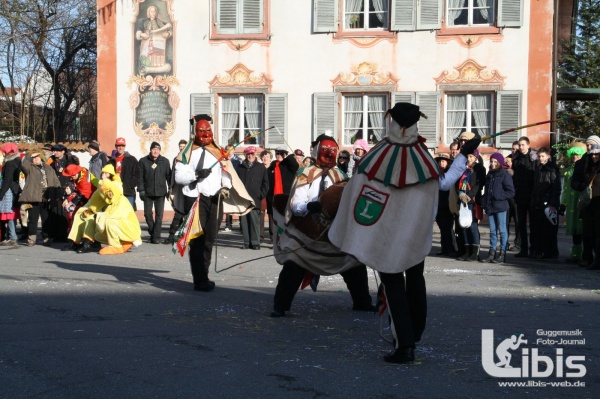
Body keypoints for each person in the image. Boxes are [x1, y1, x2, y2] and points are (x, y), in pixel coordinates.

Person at [329, 103, 480, 363]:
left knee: (394, 285)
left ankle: (405, 344)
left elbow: (356, 192)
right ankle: (414, 333)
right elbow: (444, 183)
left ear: (392, 122)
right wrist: (462, 156)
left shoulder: (375, 157)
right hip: (414, 234)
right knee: (416, 279)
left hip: (386, 235)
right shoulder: (423, 158)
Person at [271, 134, 374, 317]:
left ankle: (362, 302)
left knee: (353, 263)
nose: (329, 156)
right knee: (294, 264)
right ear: (317, 151)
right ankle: (280, 306)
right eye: (325, 151)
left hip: (333, 231)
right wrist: (308, 207)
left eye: (332, 152)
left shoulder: (340, 175)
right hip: (306, 231)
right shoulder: (306, 173)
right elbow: (296, 204)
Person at [174, 114, 253, 292]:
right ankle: (199, 279)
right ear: (195, 132)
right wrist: (195, 175)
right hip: (196, 199)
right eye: (201, 131)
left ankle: (205, 275)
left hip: (215, 199)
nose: (205, 133)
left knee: (210, 238)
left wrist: (225, 186)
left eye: (207, 130)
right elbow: (179, 176)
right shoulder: (187, 153)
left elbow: (225, 174)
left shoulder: (218, 152)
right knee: (197, 240)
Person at [68, 164, 122, 253]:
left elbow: (111, 200)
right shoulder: (102, 183)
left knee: (90, 219)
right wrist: (87, 208)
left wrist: (95, 209)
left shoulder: (114, 184)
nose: (103, 175)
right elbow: (94, 198)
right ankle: (74, 241)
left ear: (111, 175)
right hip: (95, 207)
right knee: (79, 214)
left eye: (106, 173)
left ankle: (88, 242)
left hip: (107, 210)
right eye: (103, 173)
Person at [18, 152, 61, 246]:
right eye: (33, 158)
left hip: (46, 196)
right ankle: (31, 238)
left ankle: (46, 237)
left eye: (37, 157)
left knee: (46, 218)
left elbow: (55, 181)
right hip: (34, 197)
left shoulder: (48, 168)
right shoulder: (30, 168)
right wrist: (30, 156)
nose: (35, 159)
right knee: (33, 219)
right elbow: (24, 165)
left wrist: (57, 192)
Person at [91, 179, 143, 255]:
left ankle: (116, 247)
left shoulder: (122, 200)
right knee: (98, 236)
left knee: (110, 222)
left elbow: (114, 216)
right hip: (123, 229)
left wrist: (99, 216)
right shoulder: (111, 203)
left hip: (132, 230)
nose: (108, 195)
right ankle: (125, 243)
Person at [571, 135, 600, 268]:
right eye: (587, 145)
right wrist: (581, 186)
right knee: (587, 232)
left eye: (592, 145)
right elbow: (574, 181)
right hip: (587, 203)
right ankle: (587, 257)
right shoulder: (582, 163)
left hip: (598, 202)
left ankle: (597, 260)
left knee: (598, 232)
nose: (589, 148)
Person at [481, 152, 515, 263]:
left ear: (500, 162)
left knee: (502, 230)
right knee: (492, 231)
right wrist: (484, 201)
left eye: (495, 162)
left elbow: (511, 192)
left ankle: (502, 253)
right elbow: (487, 190)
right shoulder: (489, 174)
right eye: (491, 161)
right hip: (490, 206)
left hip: (501, 206)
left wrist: (498, 196)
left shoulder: (505, 174)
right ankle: (491, 253)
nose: (493, 164)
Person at [529, 147, 561, 260]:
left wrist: (552, 203)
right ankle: (540, 250)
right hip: (538, 202)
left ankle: (550, 252)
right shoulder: (538, 169)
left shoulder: (553, 170)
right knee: (538, 228)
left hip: (548, 203)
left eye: (543, 156)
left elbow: (556, 188)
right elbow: (535, 187)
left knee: (549, 230)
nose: (540, 158)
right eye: (539, 156)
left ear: (548, 156)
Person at [236, 146, 269, 250]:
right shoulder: (240, 167)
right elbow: (237, 183)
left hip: (255, 199)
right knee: (244, 222)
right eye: (248, 154)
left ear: (255, 155)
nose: (250, 156)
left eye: (252, 154)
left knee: (254, 222)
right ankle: (246, 242)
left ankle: (255, 243)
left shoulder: (261, 167)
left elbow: (266, 183)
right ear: (246, 155)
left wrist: (260, 194)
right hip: (243, 200)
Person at [138, 141, 171, 244]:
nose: (155, 151)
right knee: (147, 214)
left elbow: (169, 176)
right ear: (150, 150)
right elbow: (140, 177)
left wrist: (170, 189)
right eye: (153, 149)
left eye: (157, 149)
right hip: (147, 192)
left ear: (160, 151)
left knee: (159, 216)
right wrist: (141, 190)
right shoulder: (143, 161)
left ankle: (156, 237)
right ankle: (153, 232)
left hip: (161, 192)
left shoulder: (165, 161)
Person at [45, 144, 78, 245]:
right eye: (54, 151)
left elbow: (73, 174)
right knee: (55, 210)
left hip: (66, 187)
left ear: (63, 151)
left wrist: (70, 187)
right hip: (55, 188)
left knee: (65, 212)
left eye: (57, 151)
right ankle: (56, 234)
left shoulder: (70, 160)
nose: (55, 152)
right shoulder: (51, 161)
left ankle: (65, 234)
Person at [560, 142, 587, 263]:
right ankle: (575, 255)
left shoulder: (585, 168)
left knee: (583, 230)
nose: (575, 157)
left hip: (581, 202)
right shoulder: (568, 171)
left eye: (577, 154)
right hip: (572, 203)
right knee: (575, 230)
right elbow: (565, 189)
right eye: (573, 155)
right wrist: (563, 203)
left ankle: (584, 255)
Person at [512, 136, 538, 258]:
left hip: (532, 195)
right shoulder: (516, 158)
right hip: (520, 194)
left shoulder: (534, 157)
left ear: (528, 145)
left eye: (523, 145)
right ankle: (523, 249)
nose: (521, 147)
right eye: (520, 145)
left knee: (533, 224)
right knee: (520, 223)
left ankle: (533, 249)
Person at [455, 148, 483, 262]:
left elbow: (479, 184)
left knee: (472, 226)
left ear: (476, 157)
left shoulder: (479, 169)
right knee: (464, 225)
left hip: (472, 201)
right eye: (468, 156)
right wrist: (461, 194)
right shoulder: (463, 169)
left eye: (471, 157)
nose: (469, 159)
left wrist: (469, 196)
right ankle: (467, 251)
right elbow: (457, 183)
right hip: (462, 200)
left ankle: (475, 252)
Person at [60, 164, 97, 250]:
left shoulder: (85, 179)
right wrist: (68, 200)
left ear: (76, 174)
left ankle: (88, 242)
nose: (70, 178)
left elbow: (83, 194)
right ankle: (74, 241)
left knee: (86, 219)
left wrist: (71, 203)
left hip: (92, 201)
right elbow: (78, 191)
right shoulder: (81, 174)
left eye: (71, 176)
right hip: (86, 199)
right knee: (75, 217)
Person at [266, 148, 299, 244]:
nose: (278, 155)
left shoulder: (288, 166)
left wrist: (289, 156)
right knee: (274, 219)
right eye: (277, 154)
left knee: (286, 218)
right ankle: (274, 238)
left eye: (281, 154)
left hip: (286, 196)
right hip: (273, 196)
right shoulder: (272, 167)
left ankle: (287, 237)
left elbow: (295, 165)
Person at [135, 5, 173, 76]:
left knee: (158, 59)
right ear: (148, 12)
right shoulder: (143, 21)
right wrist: (142, 35)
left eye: (154, 11)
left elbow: (169, 27)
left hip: (158, 46)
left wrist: (168, 34)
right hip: (147, 46)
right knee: (147, 60)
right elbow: (138, 33)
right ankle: (145, 69)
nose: (153, 13)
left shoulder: (158, 21)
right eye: (152, 11)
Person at [164, 139, 188, 244]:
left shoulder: (189, 158)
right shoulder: (175, 159)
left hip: (188, 190)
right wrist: (171, 188)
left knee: (187, 214)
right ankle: (171, 236)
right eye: (180, 146)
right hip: (178, 189)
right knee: (178, 213)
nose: (182, 148)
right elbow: (173, 175)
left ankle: (185, 237)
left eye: (183, 146)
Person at [434, 154, 458, 257]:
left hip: (447, 204)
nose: (441, 163)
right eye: (439, 162)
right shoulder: (436, 174)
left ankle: (451, 249)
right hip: (438, 204)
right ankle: (444, 248)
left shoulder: (449, 174)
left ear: (447, 163)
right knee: (442, 228)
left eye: (443, 161)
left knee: (448, 228)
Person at [109, 137, 140, 208]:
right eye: (119, 146)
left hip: (128, 192)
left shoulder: (132, 159)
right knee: (115, 214)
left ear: (125, 146)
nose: (121, 148)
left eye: (122, 146)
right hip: (115, 192)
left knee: (128, 214)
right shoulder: (111, 161)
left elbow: (137, 174)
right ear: (115, 146)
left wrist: (131, 185)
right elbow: (106, 175)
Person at [0, 143, 21, 246]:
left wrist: (1, 193)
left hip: (8, 191)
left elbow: (7, 180)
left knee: (8, 214)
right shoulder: (17, 161)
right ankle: (11, 236)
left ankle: (12, 237)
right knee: (10, 214)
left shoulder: (10, 163)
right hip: (14, 189)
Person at [258, 150, 272, 243]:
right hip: (262, 194)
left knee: (271, 215)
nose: (265, 158)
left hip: (271, 194)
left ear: (270, 158)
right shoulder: (259, 168)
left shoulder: (274, 168)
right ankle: (260, 236)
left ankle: (272, 237)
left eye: (267, 157)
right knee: (261, 214)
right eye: (263, 157)